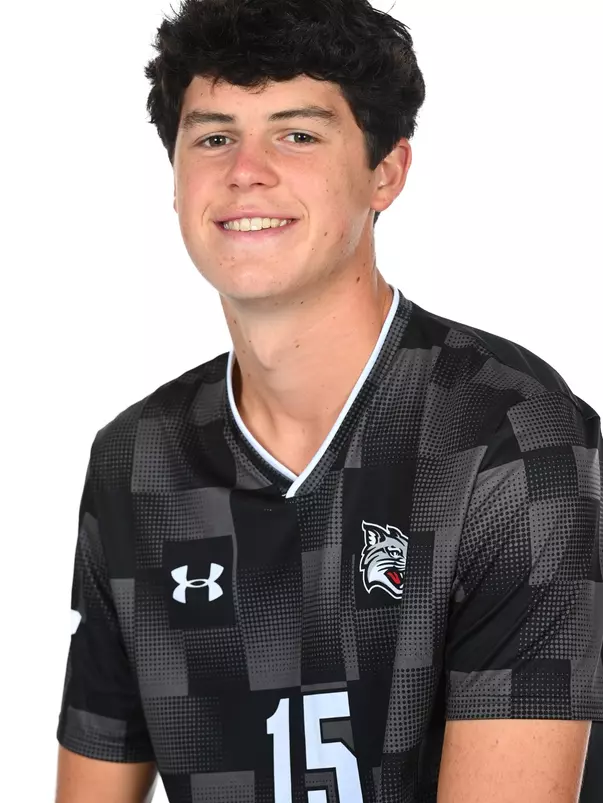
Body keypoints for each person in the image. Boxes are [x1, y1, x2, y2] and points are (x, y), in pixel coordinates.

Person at [54, 1, 603, 801]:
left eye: (297, 133)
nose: (246, 169)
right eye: (213, 136)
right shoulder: (134, 460)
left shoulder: (514, 439)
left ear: (386, 172)